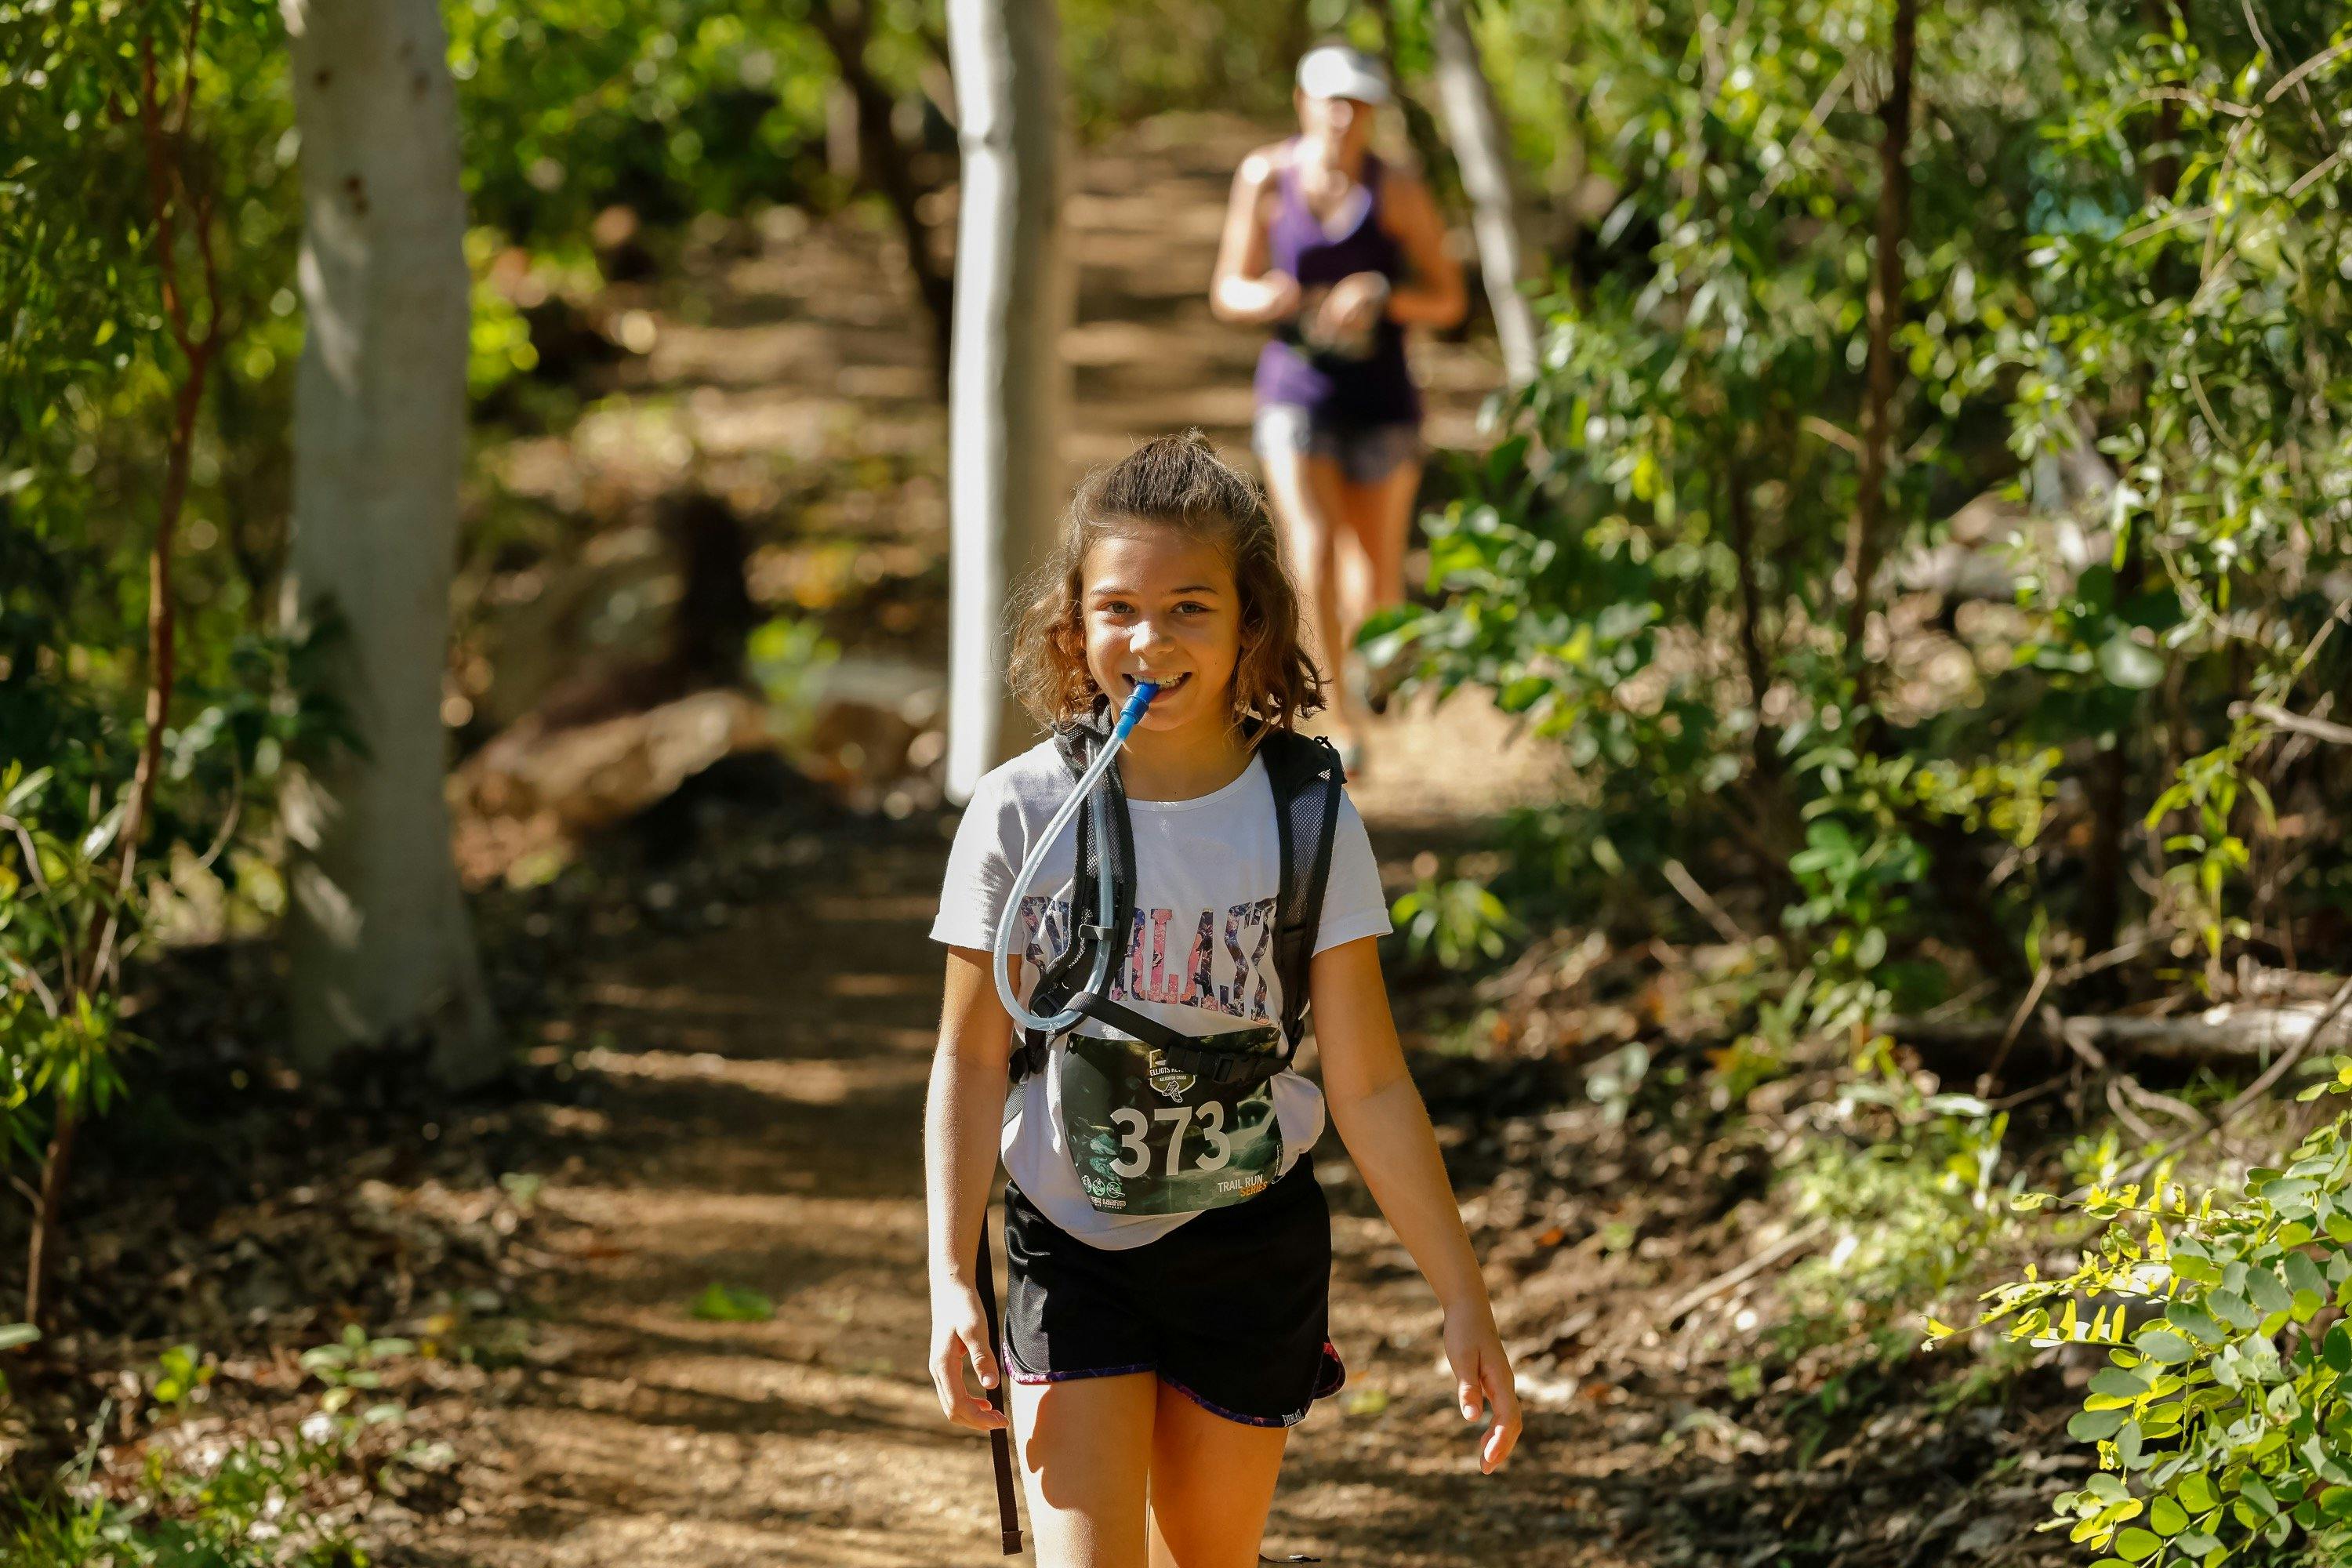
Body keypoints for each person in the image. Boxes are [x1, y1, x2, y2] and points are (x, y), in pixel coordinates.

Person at [924, 434, 1519, 1568]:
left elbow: (1371, 1079)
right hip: (1072, 1244)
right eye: (1117, 609)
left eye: (1189, 607)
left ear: (1252, 621)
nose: (1150, 640)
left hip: (1251, 1248)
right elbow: (967, 1058)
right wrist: (953, 1276)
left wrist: (1463, 1296)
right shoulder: (1015, 814)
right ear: (1073, 625)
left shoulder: (1305, 817)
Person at [1210, 43, 1468, 775]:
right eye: (1331, 100)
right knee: (1311, 547)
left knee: (1378, 578)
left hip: (1383, 400)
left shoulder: (1398, 189)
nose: (1343, 116)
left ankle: (1370, 671)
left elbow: (1449, 298)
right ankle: (1341, 722)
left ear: (1374, 114)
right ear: (1302, 101)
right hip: (1295, 391)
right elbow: (1228, 287)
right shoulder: (1265, 177)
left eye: (1357, 104)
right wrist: (1276, 297)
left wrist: (1384, 298)